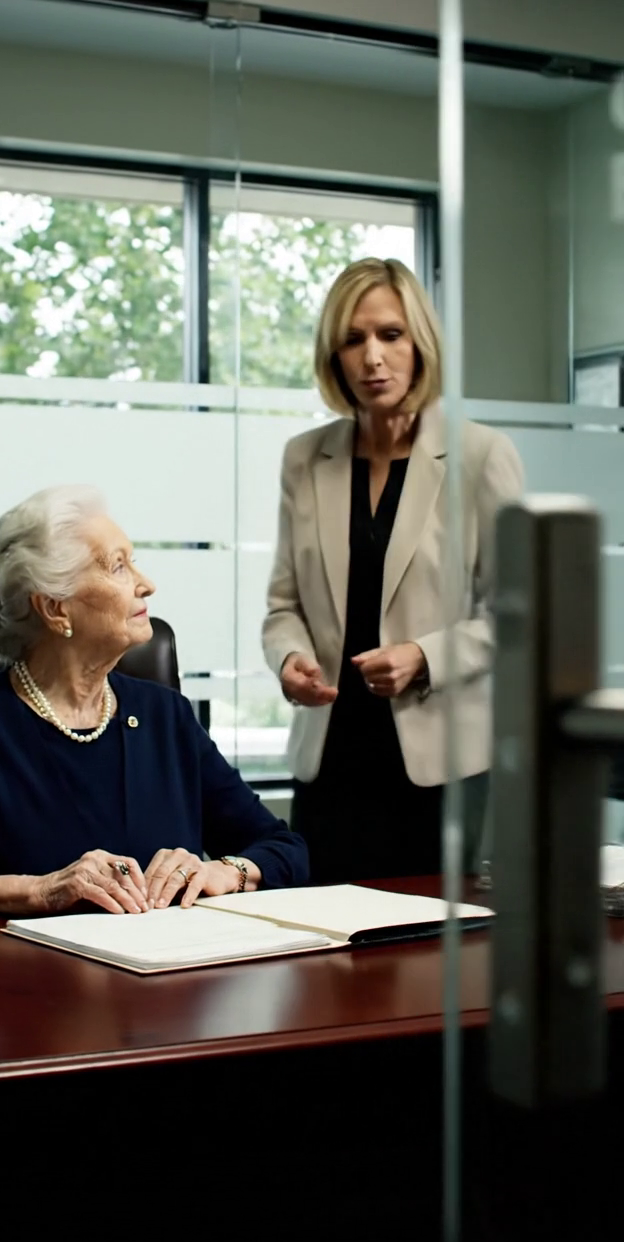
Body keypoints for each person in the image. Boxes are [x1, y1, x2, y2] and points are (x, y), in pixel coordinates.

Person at [0, 485, 308, 916]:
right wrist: (38, 890)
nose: (146, 584)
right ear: (54, 608)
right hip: (24, 960)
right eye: (118, 566)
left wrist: (226, 872)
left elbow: (285, 847)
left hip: (169, 957)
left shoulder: (165, 716)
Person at [262, 257, 524, 884]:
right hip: (330, 758)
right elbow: (283, 606)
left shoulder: (481, 455)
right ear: (334, 356)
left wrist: (424, 656)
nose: (372, 357)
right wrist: (290, 659)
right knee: (323, 935)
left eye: (390, 334)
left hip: (441, 766)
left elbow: (518, 614)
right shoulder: (305, 458)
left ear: (420, 343)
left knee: (431, 939)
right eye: (353, 339)